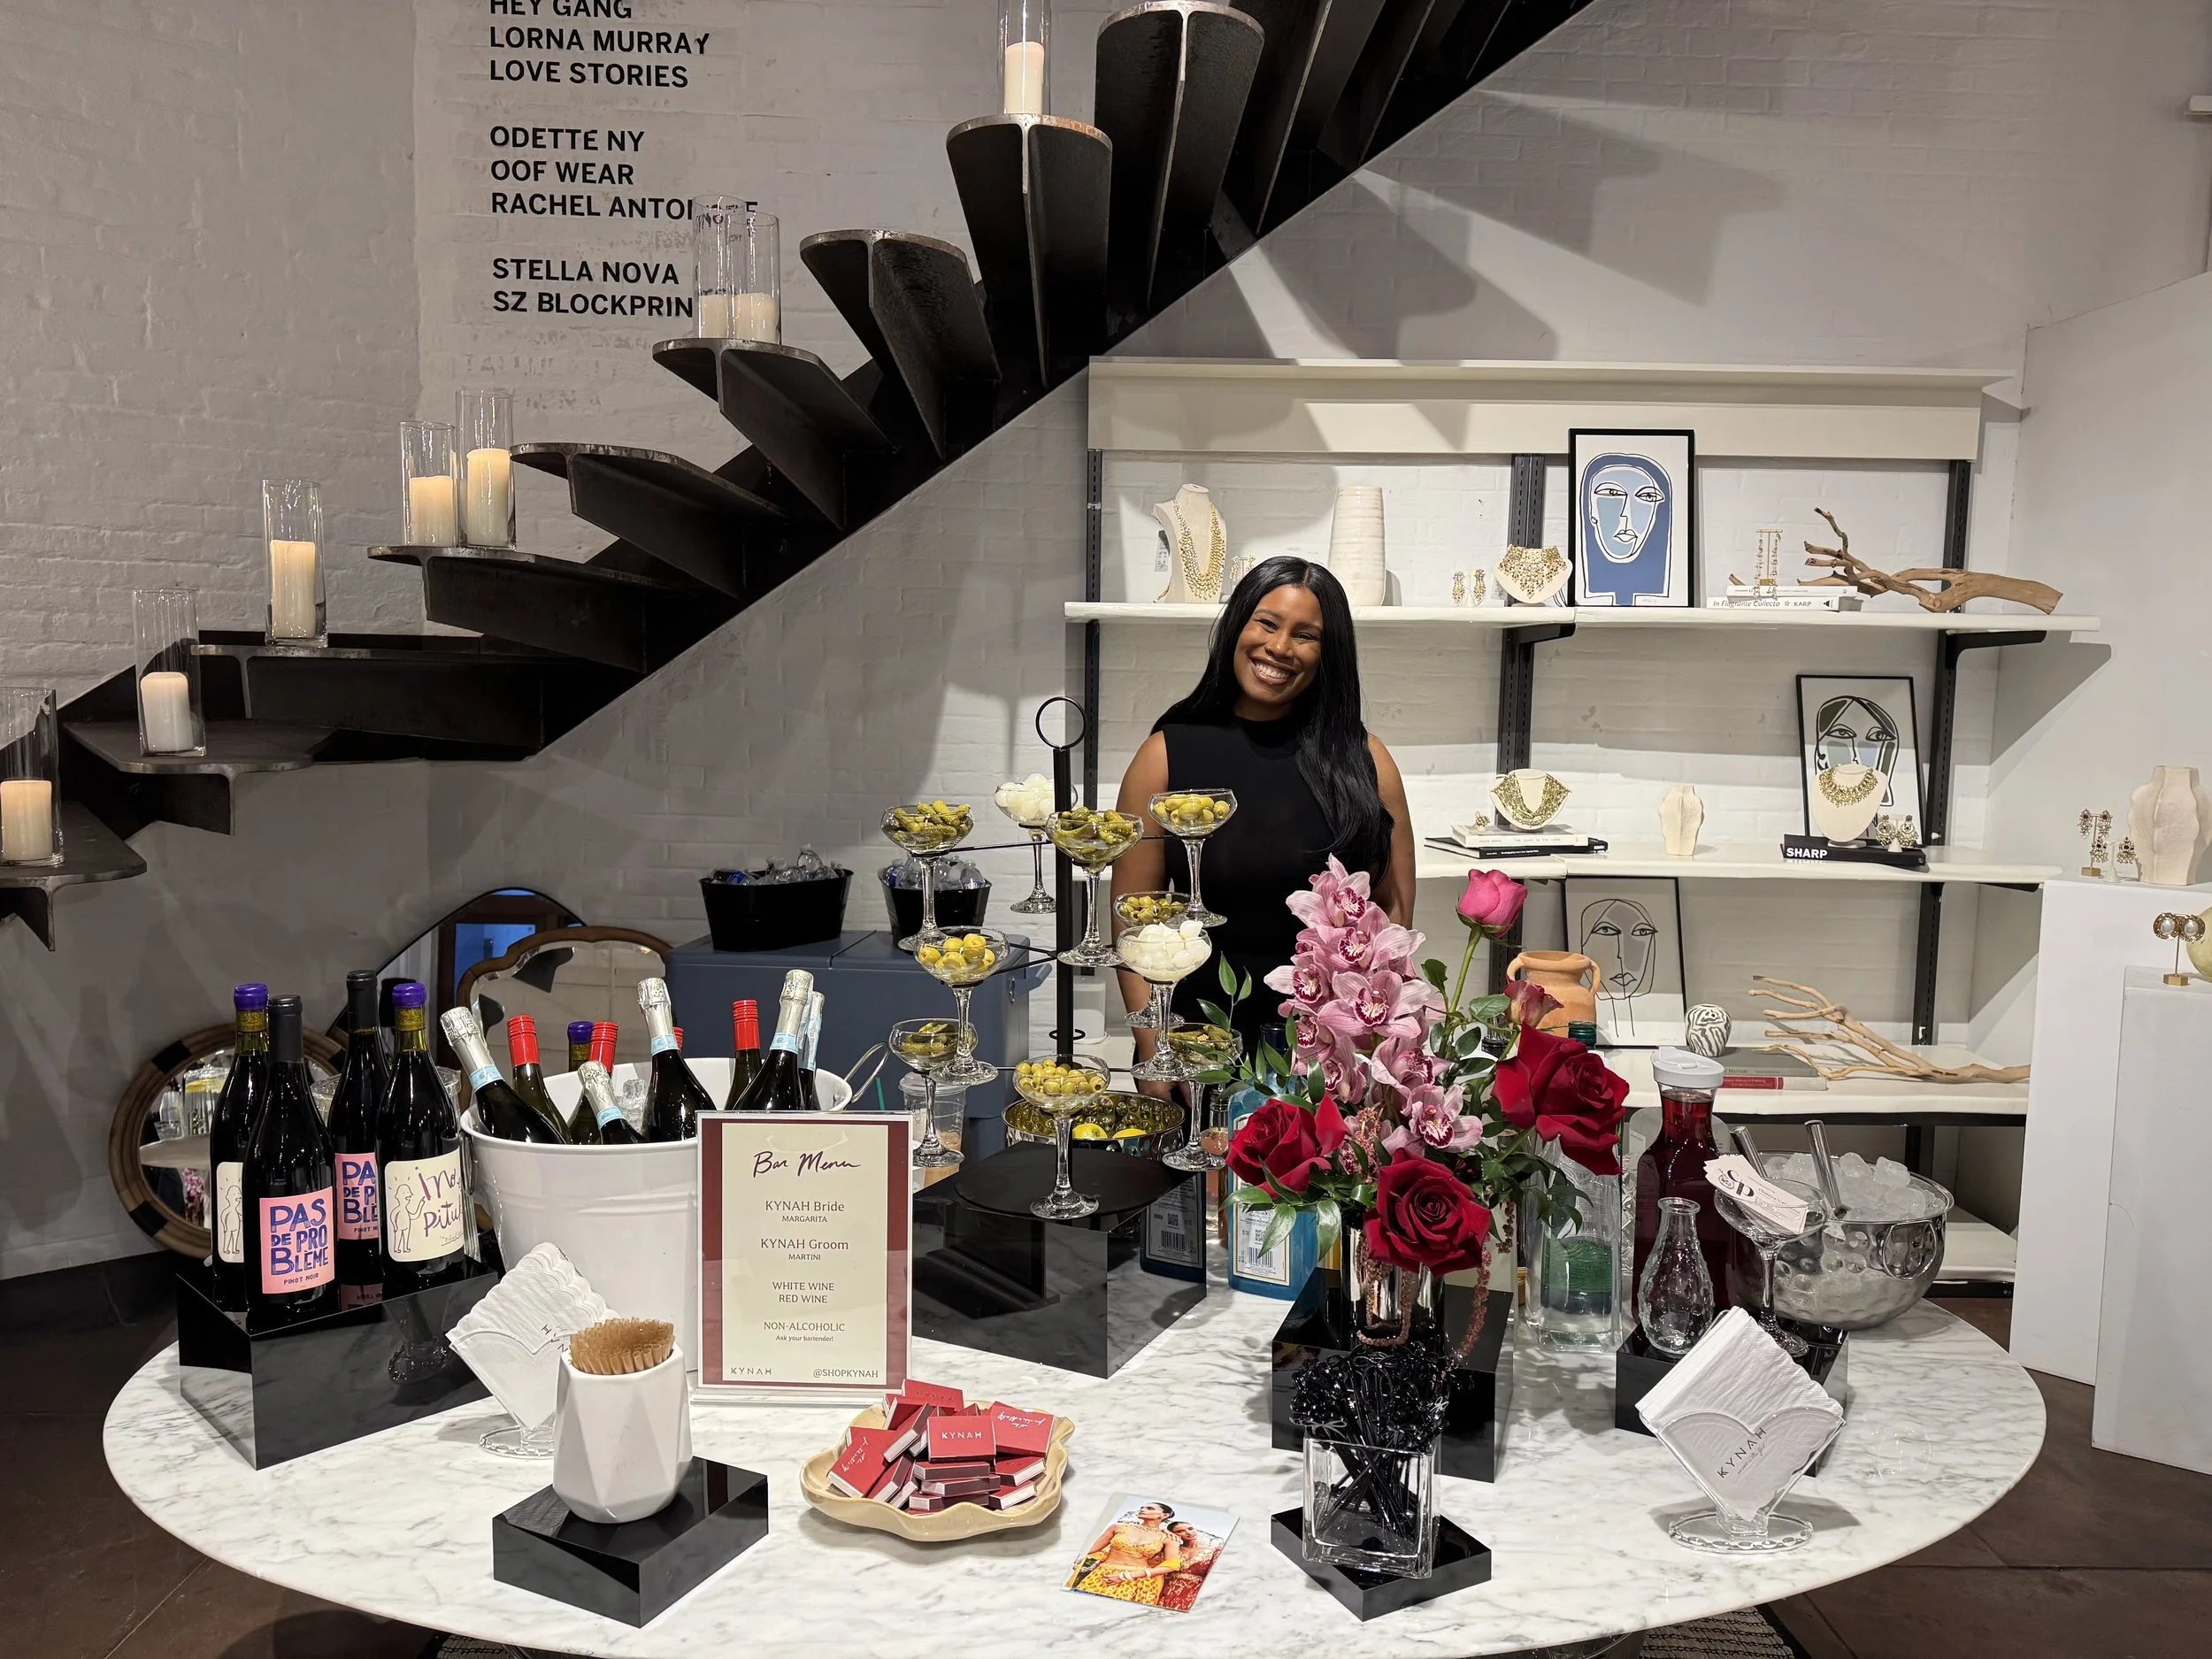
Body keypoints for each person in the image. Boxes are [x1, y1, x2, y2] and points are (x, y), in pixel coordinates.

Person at [1113, 557, 1416, 1068]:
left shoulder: (1367, 763)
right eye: (1267, 623)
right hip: (1199, 1046)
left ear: (1328, 654)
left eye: (1306, 635)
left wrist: (1370, 1048)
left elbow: (1395, 919)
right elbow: (1134, 928)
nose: (1279, 647)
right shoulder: (1165, 757)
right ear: (1237, 626)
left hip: (1330, 1055)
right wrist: (1154, 1048)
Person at [1069, 1501, 1182, 1606]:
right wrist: (1076, 1559)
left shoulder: (1168, 1538)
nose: (1143, 1509)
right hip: (1103, 1575)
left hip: (1138, 1581)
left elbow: (1171, 1566)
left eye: (1150, 1508)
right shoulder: (1118, 1527)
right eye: (1142, 1507)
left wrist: (1126, 1576)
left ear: (1164, 1515)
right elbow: (1090, 1549)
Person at [1159, 1520, 1222, 1612]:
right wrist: (1165, 1531)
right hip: (1165, 1591)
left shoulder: (1214, 1551)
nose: (1188, 1532)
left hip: (1192, 1595)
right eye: (1180, 1531)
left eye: (1191, 1529)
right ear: (1174, 1534)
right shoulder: (1171, 1549)